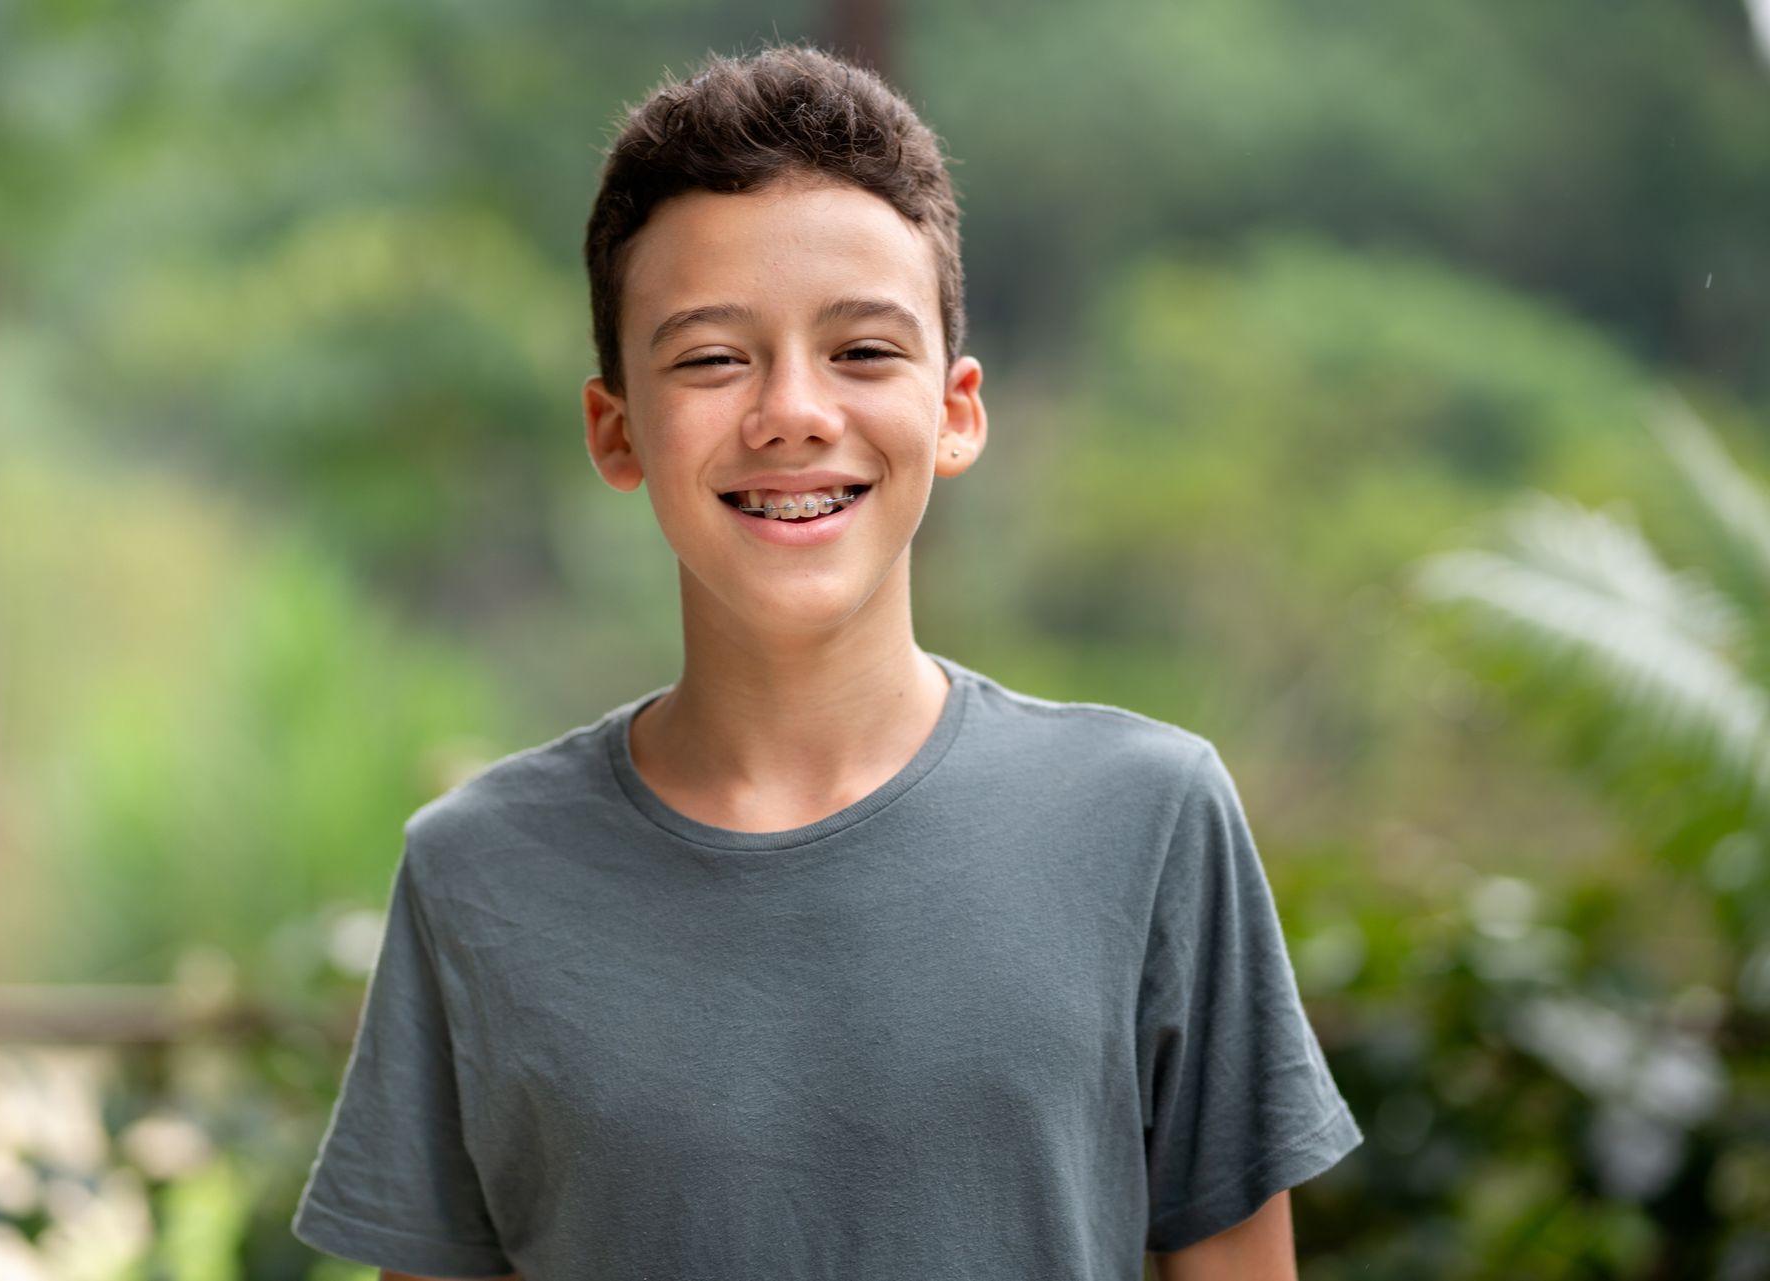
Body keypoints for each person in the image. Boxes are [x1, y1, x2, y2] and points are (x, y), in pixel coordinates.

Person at [291, 43, 1362, 1281]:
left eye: (862, 351)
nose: (793, 411)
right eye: (709, 357)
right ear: (616, 428)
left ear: (955, 410)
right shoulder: (477, 871)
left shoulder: (1149, 818)